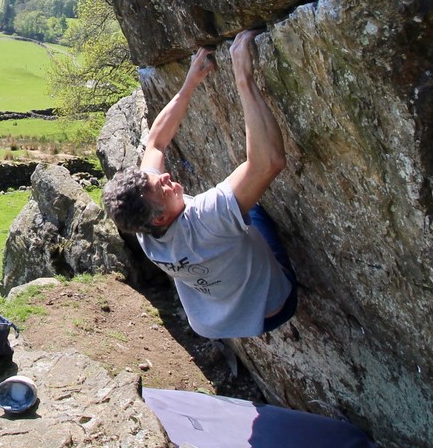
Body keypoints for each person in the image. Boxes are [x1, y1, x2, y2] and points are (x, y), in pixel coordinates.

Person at [102, 29, 296, 339]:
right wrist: (243, 78)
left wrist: (190, 82)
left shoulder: (143, 229)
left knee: (236, 208)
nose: (166, 177)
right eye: (161, 188)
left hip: (215, 321)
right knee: (251, 208)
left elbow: (156, 143)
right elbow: (269, 163)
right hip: (274, 308)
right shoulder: (205, 219)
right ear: (160, 217)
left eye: (156, 178)